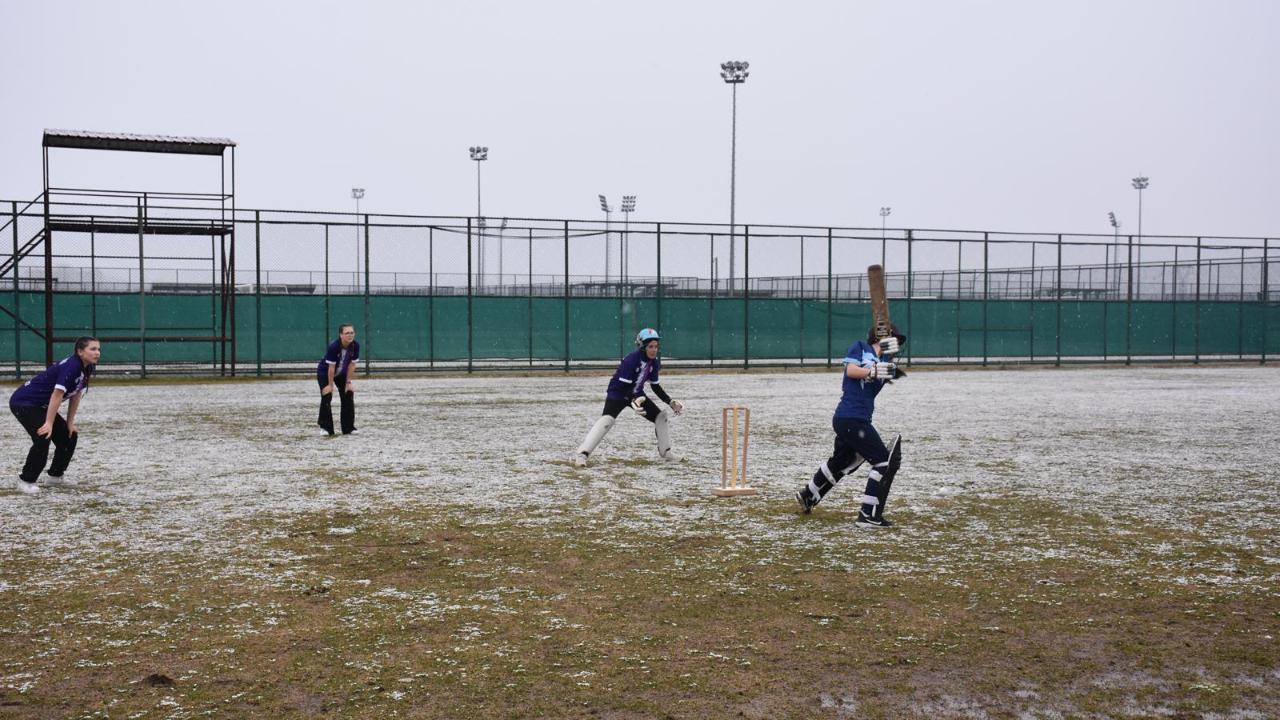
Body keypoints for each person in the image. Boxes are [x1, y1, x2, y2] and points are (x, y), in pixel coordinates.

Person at [795, 324, 906, 528]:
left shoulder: (883, 363)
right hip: (850, 418)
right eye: (895, 341)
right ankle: (868, 516)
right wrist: (872, 370)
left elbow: (881, 377)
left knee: (843, 461)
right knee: (882, 461)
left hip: (855, 419)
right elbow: (852, 370)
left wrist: (886, 369)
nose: (897, 346)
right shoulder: (861, 347)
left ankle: (808, 495)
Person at [574, 328, 685, 467]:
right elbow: (625, 388)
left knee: (660, 417)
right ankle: (582, 455)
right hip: (618, 393)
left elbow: (655, 386)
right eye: (650, 346)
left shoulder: (654, 362)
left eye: (656, 346)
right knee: (607, 421)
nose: (654, 350)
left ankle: (667, 453)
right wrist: (633, 401)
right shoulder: (631, 360)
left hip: (636, 394)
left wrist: (670, 401)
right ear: (642, 346)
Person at [9, 336, 100, 494]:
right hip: (24, 402)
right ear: (80, 351)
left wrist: (69, 423)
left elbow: (76, 393)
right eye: (93, 349)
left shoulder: (88, 367)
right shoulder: (72, 366)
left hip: (42, 406)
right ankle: (26, 480)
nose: (97, 352)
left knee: (69, 435)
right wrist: (49, 423)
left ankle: (54, 477)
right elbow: (57, 395)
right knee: (43, 436)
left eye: (99, 349)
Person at [317, 324, 360, 436]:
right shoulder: (334, 346)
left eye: (352, 332)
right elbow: (331, 368)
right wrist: (330, 386)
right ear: (341, 335)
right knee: (327, 395)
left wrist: (348, 382)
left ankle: (348, 428)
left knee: (348, 393)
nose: (350, 335)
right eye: (347, 333)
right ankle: (325, 428)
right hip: (325, 372)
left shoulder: (355, 346)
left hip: (342, 373)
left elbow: (352, 365)